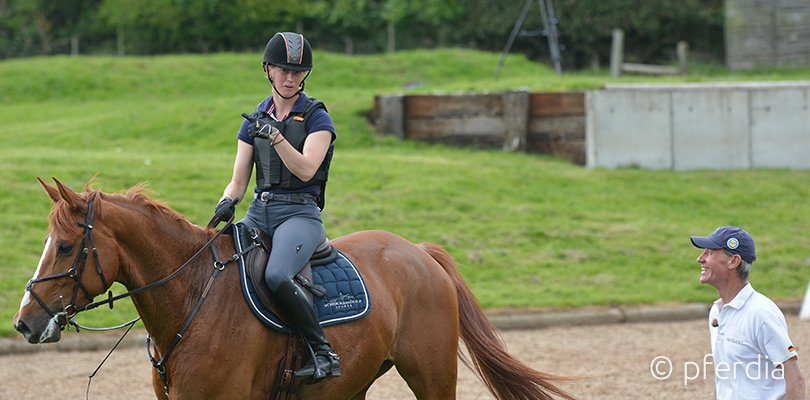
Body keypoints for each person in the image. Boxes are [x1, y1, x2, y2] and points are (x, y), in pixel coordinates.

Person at [211, 32, 339, 383]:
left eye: (297, 73)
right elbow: (239, 180)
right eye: (282, 70)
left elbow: (306, 169)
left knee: (277, 275)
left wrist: (278, 137)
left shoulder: (317, 118)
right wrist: (226, 202)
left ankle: (323, 353)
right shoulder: (253, 120)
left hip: (300, 214)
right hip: (258, 212)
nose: (289, 78)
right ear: (268, 70)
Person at [691, 226, 805, 399]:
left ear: (733, 261)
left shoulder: (762, 314)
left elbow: (795, 378)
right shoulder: (716, 312)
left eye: (709, 252)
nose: (700, 259)